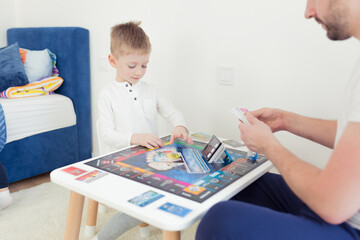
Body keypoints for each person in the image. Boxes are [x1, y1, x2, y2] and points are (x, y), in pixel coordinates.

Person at [196, 0, 360, 239]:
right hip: (345, 207)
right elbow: (351, 134)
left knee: (219, 221)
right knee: (234, 186)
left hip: (349, 223)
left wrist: (269, 147)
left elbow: (332, 204)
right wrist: (286, 120)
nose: (308, 12)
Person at [94, 21, 193, 240]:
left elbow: (173, 112)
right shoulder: (108, 95)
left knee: (184, 182)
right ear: (113, 61)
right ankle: (101, 238)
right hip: (119, 163)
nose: (139, 72)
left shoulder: (150, 90)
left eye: (144, 65)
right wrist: (134, 138)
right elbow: (106, 134)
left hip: (149, 161)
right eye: (132, 66)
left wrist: (180, 125)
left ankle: (169, 222)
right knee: (144, 201)